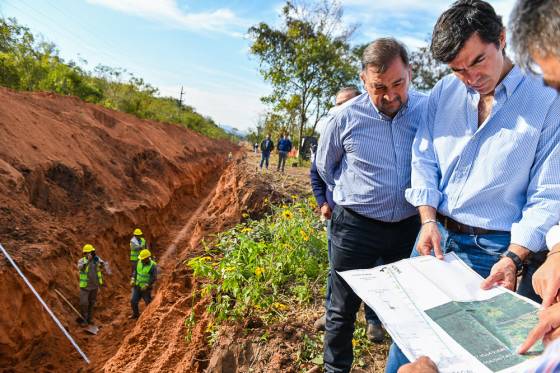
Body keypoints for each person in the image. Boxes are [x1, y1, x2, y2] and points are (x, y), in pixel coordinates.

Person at [387, 1, 560, 371]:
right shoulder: (443, 93)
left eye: (478, 61)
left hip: (494, 257)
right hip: (434, 244)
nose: (469, 78)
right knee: (410, 346)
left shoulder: (546, 100)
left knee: (467, 361)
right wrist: (428, 219)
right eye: (458, 69)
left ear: (501, 38)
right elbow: (424, 159)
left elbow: (547, 193)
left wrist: (514, 257)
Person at [316, 38, 427, 373]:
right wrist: (357, 195)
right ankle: (336, 369)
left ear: (410, 73)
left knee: (407, 307)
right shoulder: (344, 117)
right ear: (363, 80)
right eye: (379, 87)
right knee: (342, 307)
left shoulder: (426, 109)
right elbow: (326, 167)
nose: (391, 95)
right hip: (356, 228)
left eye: (398, 83)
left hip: (409, 228)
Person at [310, 86, 384, 343]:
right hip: (340, 218)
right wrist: (325, 202)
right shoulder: (333, 131)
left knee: (376, 271)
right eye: (338, 104)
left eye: (348, 103)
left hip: (373, 220)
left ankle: (374, 321)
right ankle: (332, 315)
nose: (343, 108)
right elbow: (317, 173)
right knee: (337, 271)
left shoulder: (369, 131)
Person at [78, 244, 105, 325]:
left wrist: (100, 262)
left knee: (91, 303)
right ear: (85, 253)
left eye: (92, 252)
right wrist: (88, 261)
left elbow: (102, 266)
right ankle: (84, 319)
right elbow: (81, 268)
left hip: (94, 286)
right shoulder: (81, 261)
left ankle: (89, 319)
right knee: (84, 303)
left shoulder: (96, 260)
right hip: (85, 287)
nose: (91, 254)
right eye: (89, 253)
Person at [130, 249, 157, 319]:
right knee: (133, 301)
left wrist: (147, 285)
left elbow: (153, 277)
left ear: (147, 258)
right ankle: (136, 315)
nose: (141, 260)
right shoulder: (139, 262)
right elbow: (135, 272)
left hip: (146, 289)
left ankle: (150, 317)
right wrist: (133, 279)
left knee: (148, 303)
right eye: (141, 259)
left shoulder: (153, 266)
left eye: (143, 259)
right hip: (137, 286)